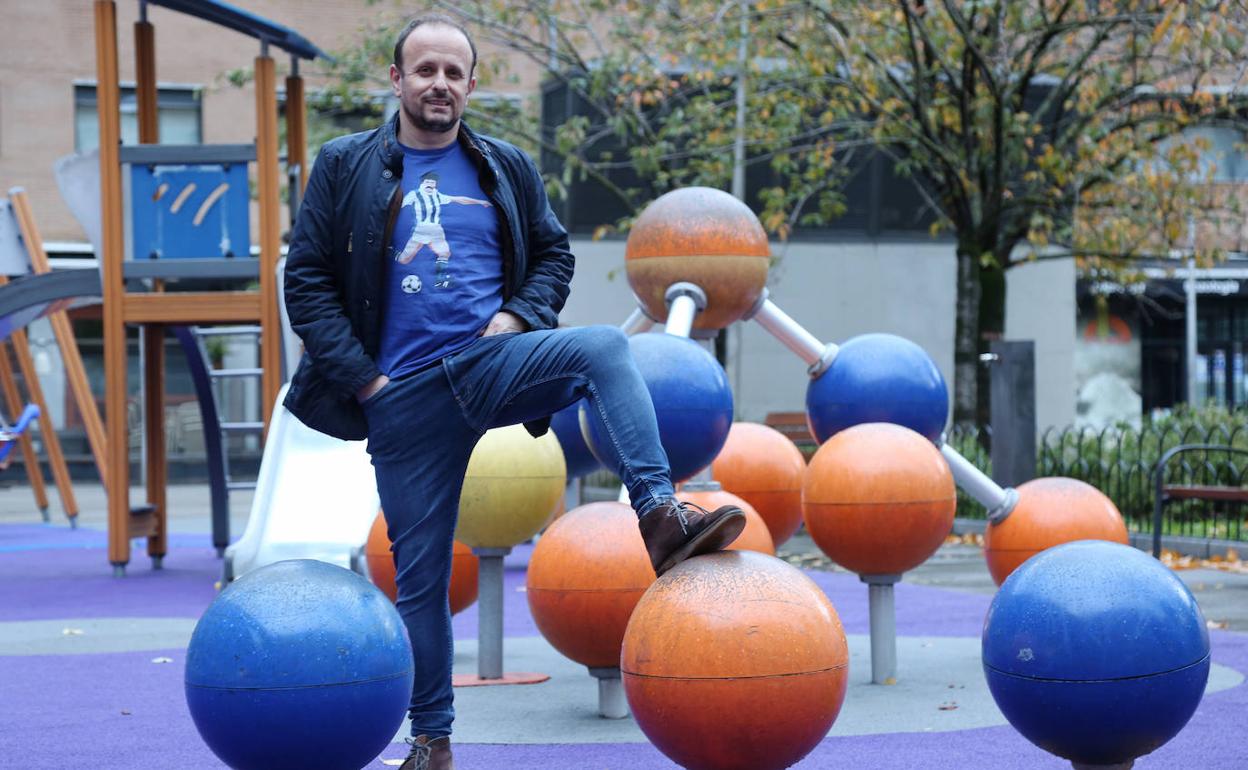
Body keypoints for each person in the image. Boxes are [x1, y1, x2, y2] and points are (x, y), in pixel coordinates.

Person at [283, 14, 745, 770]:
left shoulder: (505, 166)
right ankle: (431, 744)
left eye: (453, 72)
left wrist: (515, 318)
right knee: (421, 577)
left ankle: (659, 515)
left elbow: (553, 257)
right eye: (423, 70)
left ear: (471, 84)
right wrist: (368, 381)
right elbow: (308, 282)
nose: (439, 83)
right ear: (397, 80)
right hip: (399, 398)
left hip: (488, 363)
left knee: (600, 347)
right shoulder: (346, 164)